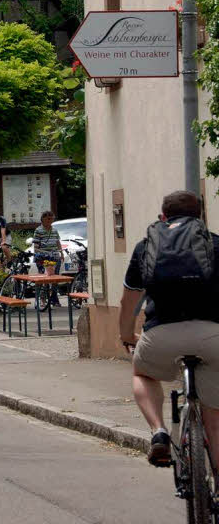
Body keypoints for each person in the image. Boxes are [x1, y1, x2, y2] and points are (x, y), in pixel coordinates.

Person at [120, 191, 219, 469]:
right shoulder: (216, 244)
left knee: (142, 372)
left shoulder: (146, 247)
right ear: (201, 216)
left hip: (161, 336)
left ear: (163, 217)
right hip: (213, 336)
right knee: (216, 418)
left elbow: (128, 303)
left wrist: (127, 336)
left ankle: (159, 431)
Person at [32, 210, 62, 275]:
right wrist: (42, 254)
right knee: (43, 276)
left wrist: (61, 253)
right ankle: (44, 285)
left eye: (52, 219)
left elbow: (58, 242)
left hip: (55, 256)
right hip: (43, 257)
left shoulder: (54, 230)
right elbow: (36, 247)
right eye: (48, 219)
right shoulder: (38, 230)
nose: (50, 221)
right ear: (43, 219)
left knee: (55, 275)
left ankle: (54, 285)